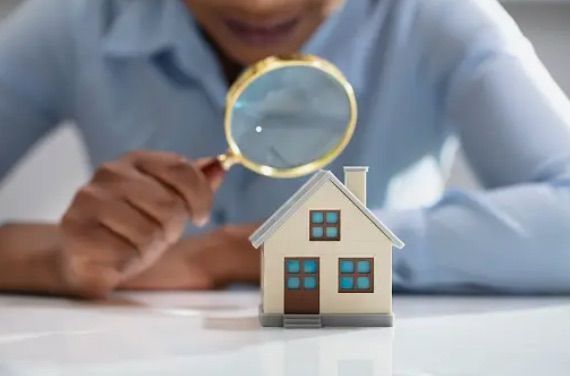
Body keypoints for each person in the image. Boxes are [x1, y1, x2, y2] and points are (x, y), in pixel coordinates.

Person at [0, 0, 569, 299]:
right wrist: (59, 260)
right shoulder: (76, 16)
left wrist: (231, 251)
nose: (257, 6)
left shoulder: (438, 15)